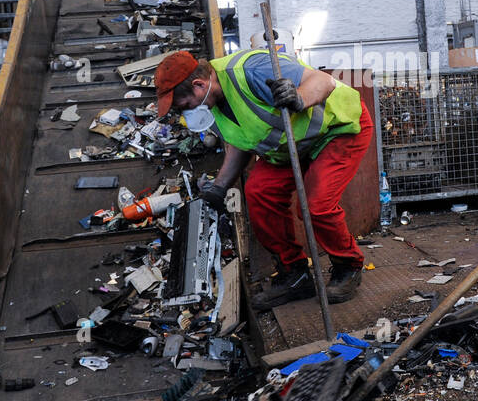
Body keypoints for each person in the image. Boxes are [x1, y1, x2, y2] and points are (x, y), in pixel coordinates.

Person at [155, 48, 374, 309]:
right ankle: (295, 275)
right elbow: (242, 141)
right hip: (291, 144)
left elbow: (323, 82)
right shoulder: (214, 103)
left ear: (199, 85)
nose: (187, 112)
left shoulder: (251, 69)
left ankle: (348, 266)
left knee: (316, 205)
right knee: (259, 192)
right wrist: (220, 187)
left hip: (337, 128)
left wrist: (298, 97)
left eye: (186, 105)